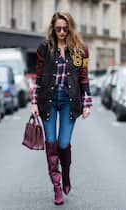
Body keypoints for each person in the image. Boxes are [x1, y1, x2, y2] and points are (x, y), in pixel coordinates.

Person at [30, 12, 92, 205]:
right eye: (58, 29)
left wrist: (87, 103)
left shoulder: (82, 51)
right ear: (53, 28)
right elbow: (38, 77)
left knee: (64, 143)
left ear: (70, 28)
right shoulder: (44, 48)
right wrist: (34, 102)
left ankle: (65, 173)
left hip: (69, 101)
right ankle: (57, 187)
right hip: (48, 100)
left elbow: (84, 77)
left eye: (65, 28)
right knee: (51, 144)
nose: (62, 32)